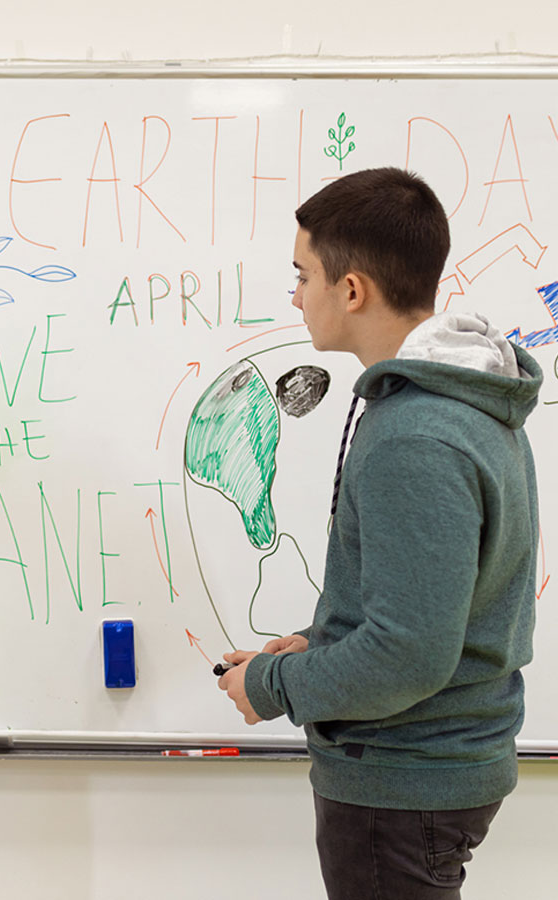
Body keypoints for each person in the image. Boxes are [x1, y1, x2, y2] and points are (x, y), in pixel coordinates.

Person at [217, 167, 541, 899]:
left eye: (302, 275)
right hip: (432, 770)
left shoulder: (415, 433)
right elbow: (434, 603)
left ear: (353, 289)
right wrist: (329, 636)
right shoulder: (466, 399)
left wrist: (271, 684)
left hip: (401, 783)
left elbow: (408, 655)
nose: (295, 296)